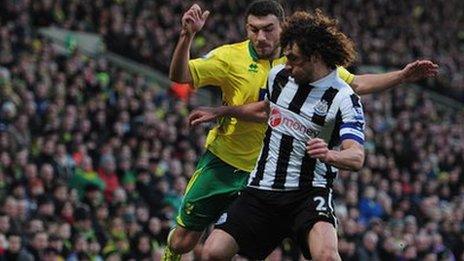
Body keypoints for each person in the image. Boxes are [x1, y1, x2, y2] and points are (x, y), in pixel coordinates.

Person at [164, 0, 438, 259]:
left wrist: (402, 76)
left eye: (269, 29)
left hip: (291, 182)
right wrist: (218, 107)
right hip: (233, 164)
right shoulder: (257, 67)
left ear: (284, 29)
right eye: (254, 29)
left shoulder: (325, 81)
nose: (261, 37)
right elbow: (262, 108)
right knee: (188, 244)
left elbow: (358, 91)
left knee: (313, 253)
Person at [198, 10, 365, 260]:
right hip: (263, 188)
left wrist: (330, 154)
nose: (286, 65)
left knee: (328, 257)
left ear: (315, 57)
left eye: (294, 59)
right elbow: (266, 109)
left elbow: (356, 156)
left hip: (309, 193)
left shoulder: (344, 98)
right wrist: (222, 110)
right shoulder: (279, 77)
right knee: (213, 252)